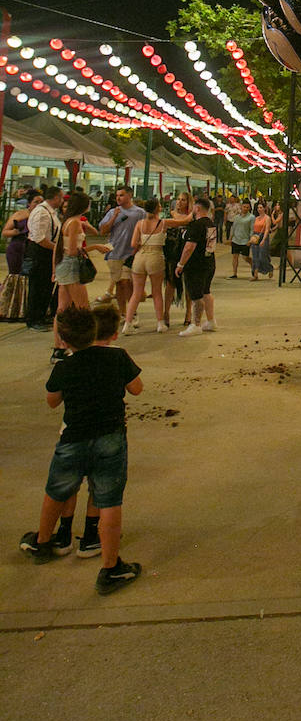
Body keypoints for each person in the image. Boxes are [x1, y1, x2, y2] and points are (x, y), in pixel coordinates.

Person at [18, 304, 143, 594]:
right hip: (110, 437)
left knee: (57, 490)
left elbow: (52, 401)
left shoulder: (64, 367)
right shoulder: (118, 357)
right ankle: (110, 567)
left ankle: (44, 542)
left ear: (63, 340)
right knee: (109, 499)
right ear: (97, 331)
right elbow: (136, 388)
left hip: (73, 438)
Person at [51, 190, 110, 360]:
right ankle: (88, 345)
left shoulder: (68, 221)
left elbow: (60, 247)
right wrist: (94, 248)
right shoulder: (74, 223)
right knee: (83, 307)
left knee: (62, 308)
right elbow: (71, 250)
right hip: (71, 266)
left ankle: (59, 347)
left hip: (63, 266)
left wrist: (54, 269)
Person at [98, 186, 147, 318]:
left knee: (128, 283)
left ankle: (131, 310)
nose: (118, 198)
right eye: (117, 195)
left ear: (130, 196)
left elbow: (145, 230)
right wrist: (114, 217)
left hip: (131, 253)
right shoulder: (113, 212)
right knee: (120, 283)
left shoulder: (140, 213)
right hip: (115, 252)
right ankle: (123, 311)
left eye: (122, 195)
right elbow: (103, 231)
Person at [122, 198, 167, 334]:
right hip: (155, 256)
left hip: (140, 258)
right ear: (157, 209)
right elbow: (184, 221)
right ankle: (160, 323)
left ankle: (127, 324)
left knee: (136, 293)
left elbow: (133, 244)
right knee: (157, 291)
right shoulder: (163, 223)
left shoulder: (140, 224)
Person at [174, 197, 217, 336]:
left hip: (196, 265)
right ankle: (210, 321)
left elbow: (189, 247)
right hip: (209, 261)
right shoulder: (210, 224)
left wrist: (181, 264)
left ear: (197, 208)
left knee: (196, 295)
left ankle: (196, 324)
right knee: (206, 291)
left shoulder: (196, 225)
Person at [24, 185, 63, 331]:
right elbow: (40, 239)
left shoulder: (50, 212)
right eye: (61, 197)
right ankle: (33, 319)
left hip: (47, 253)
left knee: (46, 287)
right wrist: (57, 248)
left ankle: (41, 315)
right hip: (40, 253)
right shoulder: (42, 213)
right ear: (55, 197)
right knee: (38, 287)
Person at [1, 187, 42, 322]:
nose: (38, 205)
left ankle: (26, 308)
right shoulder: (19, 215)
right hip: (17, 248)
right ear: (29, 203)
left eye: (41, 202)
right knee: (16, 277)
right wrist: (18, 232)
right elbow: (5, 232)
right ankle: (11, 308)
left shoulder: (43, 217)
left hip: (32, 250)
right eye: (36, 202)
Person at [161, 191, 194, 328]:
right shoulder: (170, 215)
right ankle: (166, 312)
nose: (180, 202)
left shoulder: (191, 217)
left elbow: (185, 223)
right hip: (171, 251)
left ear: (188, 202)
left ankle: (188, 313)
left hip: (186, 252)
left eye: (183, 200)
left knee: (188, 283)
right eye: (178, 199)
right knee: (170, 282)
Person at [229, 198, 256, 278]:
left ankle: (253, 265)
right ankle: (234, 273)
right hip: (236, 239)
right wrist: (230, 237)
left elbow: (252, 229)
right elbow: (233, 227)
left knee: (245, 257)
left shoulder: (251, 217)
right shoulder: (237, 217)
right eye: (244, 207)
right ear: (241, 207)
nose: (245, 209)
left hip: (245, 240)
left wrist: (250, 240)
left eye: (247, 207)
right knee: (235, 256)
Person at [250, 199, 274, 280]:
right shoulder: (256, 218)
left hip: (263, 236)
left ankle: (269, 268)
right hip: (255, 237)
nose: (259, 209)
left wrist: (263, 240)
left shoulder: (267, 218)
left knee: (262, 256)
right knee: (255, 257)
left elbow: (267, 230)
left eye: (261, 208)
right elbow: (252, 229)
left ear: (264, 208)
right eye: (258, 208)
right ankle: (255, 274)